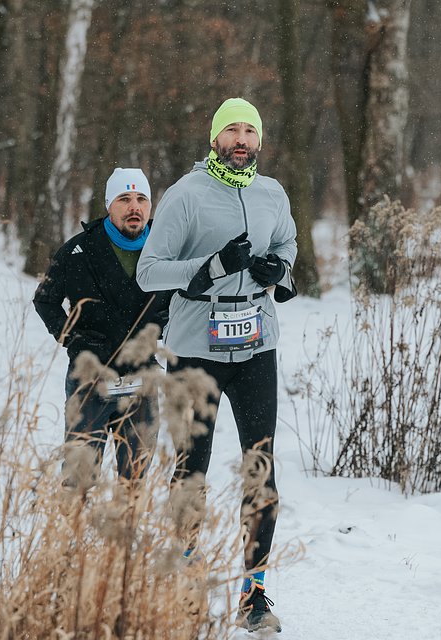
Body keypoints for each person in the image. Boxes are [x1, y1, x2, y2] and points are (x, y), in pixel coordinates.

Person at [135, 98, 297, 633]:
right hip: (194, 347)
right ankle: (186, 585)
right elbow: (149, 272)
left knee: (261, 467)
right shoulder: (186, 194)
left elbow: (288, 244)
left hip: (256, 345)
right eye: (232, 129)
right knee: (191, 470)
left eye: (250, 129)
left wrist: (281, 270)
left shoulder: (272, 192)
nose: (242, 138)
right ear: (215, 138)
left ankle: (255, 595)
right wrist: (208, 268)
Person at [33, 168, 171, 486]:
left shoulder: (165, 251)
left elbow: (180, 301)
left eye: (141, 199)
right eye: (124, 199)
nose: (134, 206)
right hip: (90, 378)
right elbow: (45, 300)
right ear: (109, 204)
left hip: (142, 378)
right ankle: (74, 533)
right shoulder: (77, 250)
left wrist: (161, 329)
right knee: (78, 480)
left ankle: (124, 535)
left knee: (134, 479)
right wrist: (74, 339)